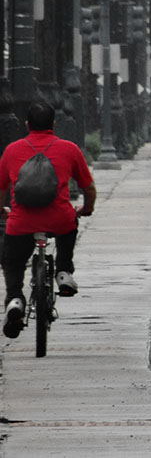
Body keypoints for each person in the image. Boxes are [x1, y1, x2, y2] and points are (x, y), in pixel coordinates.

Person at [1, 101, 96, 338]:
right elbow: (88, 187)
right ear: (54, 124)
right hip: (59, 219)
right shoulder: (69, 149)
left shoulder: (12, 150)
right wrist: (86, 209)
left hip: (21, 222)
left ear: (26, 124)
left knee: (12, 262)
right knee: (69, 225)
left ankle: (15, 300)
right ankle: (63, 272)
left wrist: (2, 211)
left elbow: (0, 187)